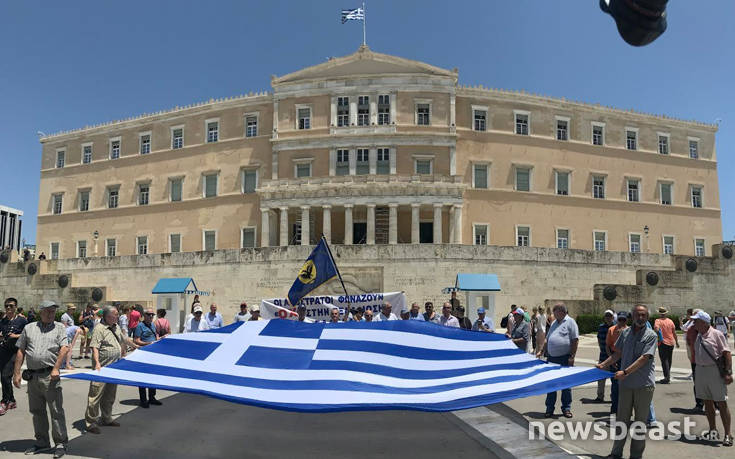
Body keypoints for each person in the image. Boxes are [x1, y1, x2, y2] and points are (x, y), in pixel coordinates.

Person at [597, 304, 657, 459]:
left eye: (643, 315)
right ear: (632, 316)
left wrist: (625, 372)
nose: (640, 318)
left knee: (639, 423)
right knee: (621, 421)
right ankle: (616, 453)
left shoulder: (651, 335)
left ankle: (635, 456)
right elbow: (618, 354)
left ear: (647, 317)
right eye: (638, 315)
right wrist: (603, 365)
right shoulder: (625, 333)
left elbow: (644, 358)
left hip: (643, 386)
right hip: (625, 385)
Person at [12, 300, 69, 458]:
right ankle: (43, 442)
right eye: (48, 311)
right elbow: (21, 351)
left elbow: (64, 348)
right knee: (37, 411)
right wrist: (16, 374)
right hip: (32, 377)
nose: (51, 314)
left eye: (53, 311)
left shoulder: (59, 327)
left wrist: (57, 368)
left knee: (56, 410)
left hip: (50, 375)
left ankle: (60, 443)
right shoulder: (29, 328)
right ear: (41, 312)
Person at [691, 310, 732, 446]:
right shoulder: (699, 334)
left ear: (704, 322)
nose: (694, 323)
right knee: (707, 402)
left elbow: (726, 353)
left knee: (721, 402)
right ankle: (713, 430)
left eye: (696, 321)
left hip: (714, 371)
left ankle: (728, 435)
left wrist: (728, 373)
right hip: (701, 371)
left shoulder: (717, 334)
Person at [84, 306, 125, 434]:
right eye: (116, 314)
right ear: (108, 316)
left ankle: (106, 418)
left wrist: (140, 346)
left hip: (114, 368)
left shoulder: (116, 327)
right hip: (101, 368)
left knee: (110, 395)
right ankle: (91, 423)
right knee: (95, 396)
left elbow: (125, 340)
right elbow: (95, 347)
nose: (117, 316)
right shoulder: (99, 329)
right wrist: (96, 363)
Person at [542, 303, 579, 418]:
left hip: (565, 357)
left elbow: (575, 340)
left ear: (562, 311)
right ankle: (549, 408)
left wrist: (572, 356)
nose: (553, 313)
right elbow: (547, 339)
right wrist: (541, 351)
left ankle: (566, 408)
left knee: (566, 384)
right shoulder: (554, 323)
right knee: (551, 384)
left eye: (555, 311)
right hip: (552, 358)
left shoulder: (570, 322)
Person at [1, 297, 27, 415]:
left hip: (15, 352)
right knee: (3, 377)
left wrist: (15, 336)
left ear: (16, 307)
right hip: (3, 351)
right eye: (6, 306)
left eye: (11, 306)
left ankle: (5, 401)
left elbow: (27, 335)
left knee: (6, 376)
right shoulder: (2, 321)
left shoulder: (22, 321)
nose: (8, 308)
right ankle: (11, 400)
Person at [133, 308, 161, 408]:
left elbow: (155, 337)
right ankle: (143, 400)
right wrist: (148, 343)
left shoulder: (153, 325)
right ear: (144, 315)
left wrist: (160, 340)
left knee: (153, 377)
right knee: (143, 377)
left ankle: (152, 397)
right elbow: (136, 340)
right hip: (143, 355)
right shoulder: (140, 326)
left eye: (152, 315)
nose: (151, 316)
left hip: (153, 355)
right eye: (149, 314)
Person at [605, 311, 629, 415]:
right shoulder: (611, 330)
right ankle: (614, 408)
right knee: (615, 386)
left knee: (626, 386)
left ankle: (625, 408)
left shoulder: (630, 330)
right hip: (615, 358)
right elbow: (608, 346)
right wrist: (611, 360)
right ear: (617, 319)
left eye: (624, 320)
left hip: (627, 359)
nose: (622, 322)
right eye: (620, 320)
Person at [654, 306, 679, 384]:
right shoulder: (670, 321)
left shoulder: (658, 321)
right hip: (671, 342)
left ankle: (666, 377)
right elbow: (674, 332)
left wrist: (658, 335)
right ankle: (668, 375)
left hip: (663, 342)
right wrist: (677, 342)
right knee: (669, 359)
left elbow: (656, 329)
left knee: (664, 360)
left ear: (659, 313)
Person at [595, 310, 615, 402]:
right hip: (603, 356)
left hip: (614, 357)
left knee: (614, 379)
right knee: (601, 378)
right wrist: (602, 349)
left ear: (613, 317)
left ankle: (613, 396)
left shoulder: (616, 327)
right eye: (606, 316)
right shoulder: (601, 327)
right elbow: (599, 340)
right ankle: (600, 396)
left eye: (609, 316)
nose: (608, 318)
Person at [686, 309, 704, 412]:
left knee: (709, 383)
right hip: (695, 361)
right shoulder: (691, 330)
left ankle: (716, 405)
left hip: (708, 363)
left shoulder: (710, 330)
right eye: (693, 319)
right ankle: (699, 404)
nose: (693, 321)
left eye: (696, 319)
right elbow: (689, 342)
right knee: (697, 383)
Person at [59, 305, 81, 370]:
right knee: (67, 350)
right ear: (69, 309)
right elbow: (64, 326)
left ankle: (67, 363)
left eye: (74, 309)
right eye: (72, 309)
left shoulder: (71, 316)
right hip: (66, 334)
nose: (74, 311)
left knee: (68, 350)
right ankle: (65, 364)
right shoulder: (64, 316)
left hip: (70, 334)